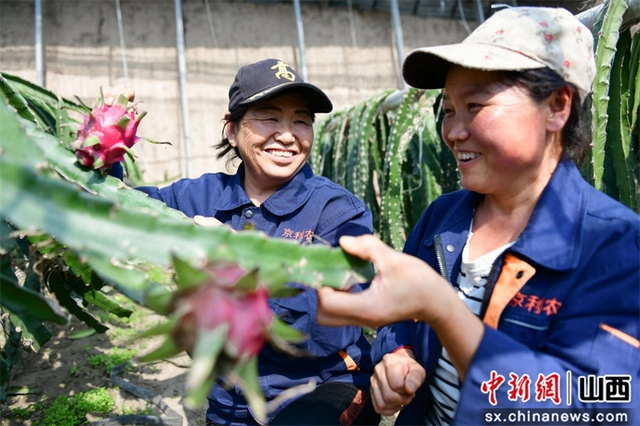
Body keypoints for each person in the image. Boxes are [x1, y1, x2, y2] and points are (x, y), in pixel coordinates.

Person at [316, 6, 640, 426]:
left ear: (557, 108)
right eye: (449, 109)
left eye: (476, 105)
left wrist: (443, 311)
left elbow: (599, 403)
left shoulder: (612, 246)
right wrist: (398, 354)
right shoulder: (442, 218)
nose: (453, 131)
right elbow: (401, 319)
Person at [108, 59, 380, 426]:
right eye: (268, 117)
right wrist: (106, 151)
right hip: (232, 401)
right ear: (232, 130)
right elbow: (119, 208)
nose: (287, 135)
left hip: (324, 384)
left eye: (301, 120)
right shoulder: (197, 197)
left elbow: (342, 318)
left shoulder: (337, 211)